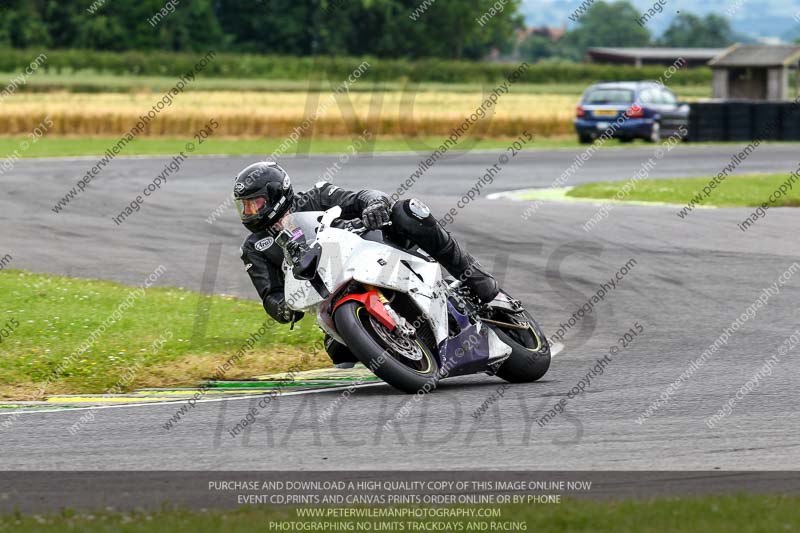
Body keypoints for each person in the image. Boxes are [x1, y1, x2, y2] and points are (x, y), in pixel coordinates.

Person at [235, 161, 499, 367]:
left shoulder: (315, 196)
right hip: (331, 296)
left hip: (374, 251)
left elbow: (361, 196)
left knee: (408, 211)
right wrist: (281, 308)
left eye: (254, 203)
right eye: (244, 207)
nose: (249, 212)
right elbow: (269, 293)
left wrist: (375, 204)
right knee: (340, 354)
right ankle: (399, 347)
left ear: (275, 194)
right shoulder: (253, 247)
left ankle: (473, 277)